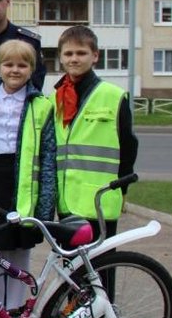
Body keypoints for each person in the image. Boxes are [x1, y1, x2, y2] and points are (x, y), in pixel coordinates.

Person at [0, 39, 57, 318]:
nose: (15, 70)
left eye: (22, 65)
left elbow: (48, 155)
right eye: (9, 64)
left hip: (25, 185)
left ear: (32, 70)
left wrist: (45, 204)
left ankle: (14, 317)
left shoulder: (41, 105)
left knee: (19, 254)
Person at [52, 25, 138, 241]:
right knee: (70, 268)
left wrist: (123, 188)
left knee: (101, 267)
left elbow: (128, 146)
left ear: (95, 56)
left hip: (100, 199)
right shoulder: (56, 98)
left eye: (81, 53)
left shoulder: (113, 96)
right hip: (66, 201)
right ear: (61, 57)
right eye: (68, 53)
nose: (74, 59)